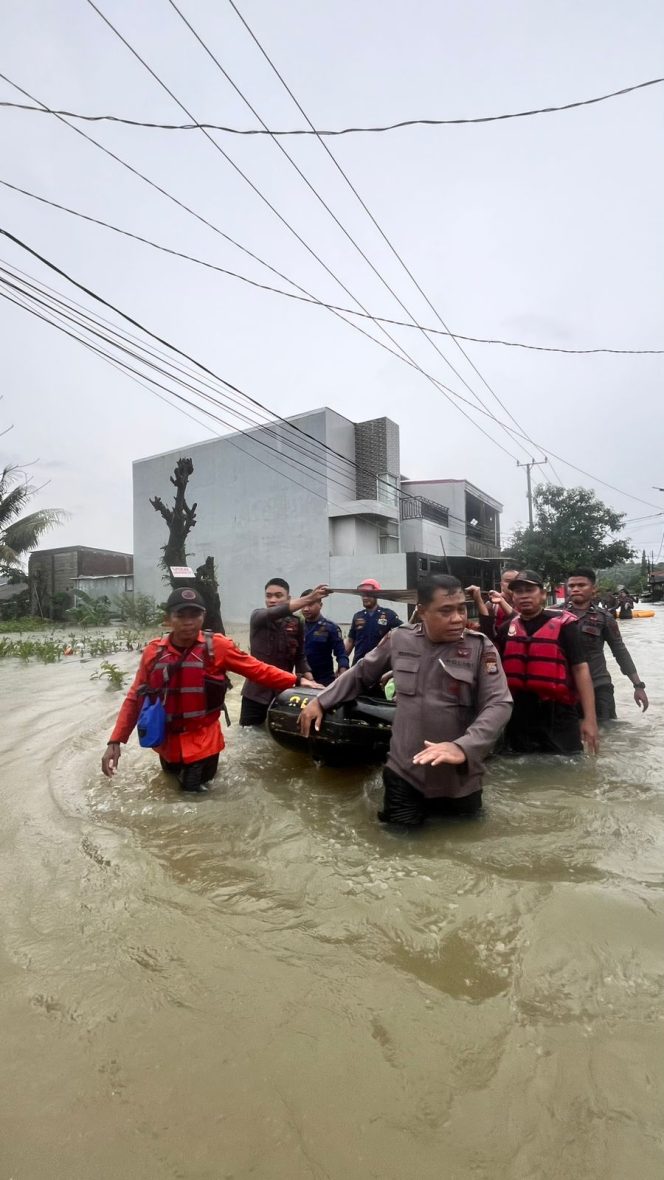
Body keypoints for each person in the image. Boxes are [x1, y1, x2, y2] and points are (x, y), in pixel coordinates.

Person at [299, 575, 513, 827]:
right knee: (398, 852)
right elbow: (360, 673)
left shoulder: (480, 647)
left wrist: (464, 746)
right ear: (421, 611)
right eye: (446, 611)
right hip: (404, 776)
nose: (458, 618)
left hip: (459, 782)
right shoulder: (399, 639)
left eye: (462, 609)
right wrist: (321, 700)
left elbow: (499, 703)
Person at [101, 587, 313, 792]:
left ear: (203, 617)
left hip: (203, 745)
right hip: (166, 746)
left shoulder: (217, 647)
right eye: (181, 615)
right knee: (170, 791)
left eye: (195, 614)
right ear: (167, 619)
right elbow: (134, 697)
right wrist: (115, 740)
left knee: (193, 801)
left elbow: (257, 669)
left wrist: (297, 681)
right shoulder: (154, 652)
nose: (189, 621)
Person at [483, 570, 599, 755]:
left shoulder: (566, 626)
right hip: (519, 716)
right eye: (519, 591)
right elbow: (492, 671)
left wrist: (590, 720)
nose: (524, 595)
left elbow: (580, 669)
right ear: (513, 597)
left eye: (530, 590)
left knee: (567, 770)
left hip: (558, 715)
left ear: (543, 594)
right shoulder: (507, 629)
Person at [239, 579, 328, 726]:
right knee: (249, 737)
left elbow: (300, 657)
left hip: (284, 694)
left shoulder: (296, 622)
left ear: (288, 599)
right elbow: (277, 611)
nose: (272, 600)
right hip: (255, 694)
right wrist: (311, 597)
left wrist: (312, 683)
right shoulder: (258, 617)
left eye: (278, 595)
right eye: (268, 596)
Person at [564, 567, 648, 721]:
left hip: (598, 686)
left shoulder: (605, 618)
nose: (575, 589)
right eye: (571, 586)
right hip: (564, 688)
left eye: (581, 585)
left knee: (607, 735)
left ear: (593, 589)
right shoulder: (554, 616)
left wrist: (638, 686)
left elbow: (620, 652)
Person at [345, 579, 402, 664]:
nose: (365, 598)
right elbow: (350, 641)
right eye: (363, 595)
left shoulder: (389, 615)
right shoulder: (357, 616)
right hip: (359, 665)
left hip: (380, 666)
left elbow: (404, 633)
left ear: (377, 595)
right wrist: (342, 662)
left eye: (368, 594)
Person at [300, 589, 349, 686]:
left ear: (320, 605)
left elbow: (341, 655)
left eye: (310, 604)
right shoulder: (297, 627)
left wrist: (343, 675)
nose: (306, 609)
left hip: (324, 682)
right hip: (302, 680)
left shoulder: (331, 628)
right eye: (303, 605)